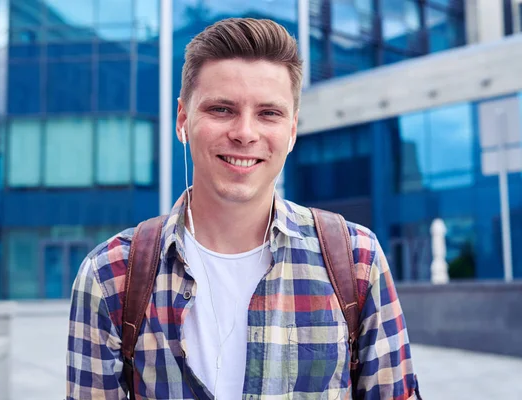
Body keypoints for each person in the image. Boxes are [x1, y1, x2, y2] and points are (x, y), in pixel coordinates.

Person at [67, 17, 421, 400]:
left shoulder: (356, 259)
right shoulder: (110, 275)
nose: (245, 132)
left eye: (269, 113)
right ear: (183, 120)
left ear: (292, 132)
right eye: (222, 109)